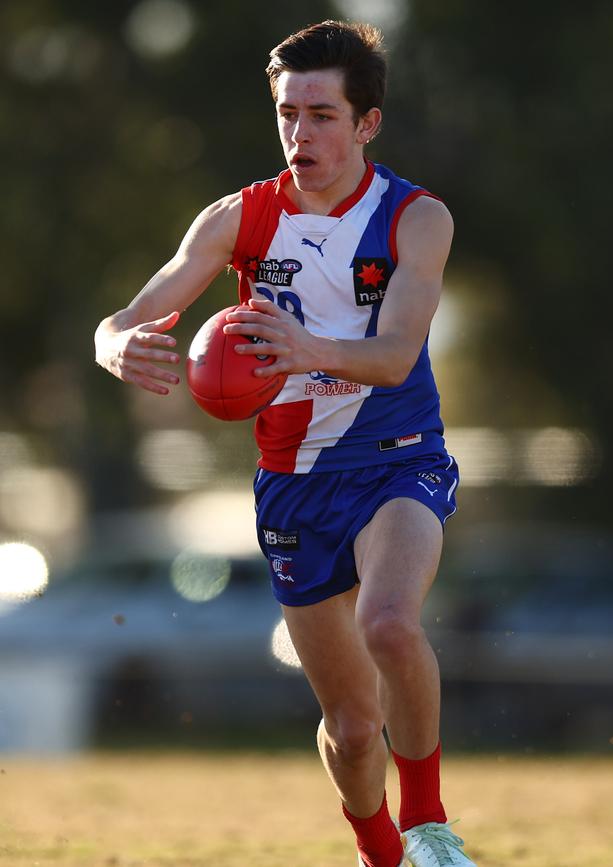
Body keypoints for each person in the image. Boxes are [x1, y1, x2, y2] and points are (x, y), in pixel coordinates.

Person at [94, 19, 476, 867]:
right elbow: (133, 311)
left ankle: (429, 826)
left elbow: (398, 352)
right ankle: (380, 851)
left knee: (388, 622)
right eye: (288, 113)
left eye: (324, 115)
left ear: (367, 122)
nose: (302, 134)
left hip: (398, 456)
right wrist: (115, 341)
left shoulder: (417, 219)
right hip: (294, 480)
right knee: (347, 723)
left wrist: (314, 351)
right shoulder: (239, 219)